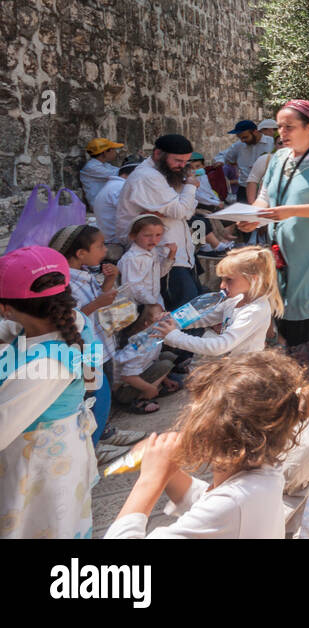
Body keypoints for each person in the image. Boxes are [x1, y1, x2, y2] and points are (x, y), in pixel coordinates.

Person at [104, 351, 309, 539]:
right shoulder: (265, 469)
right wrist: (169, 471)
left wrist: (149, 481)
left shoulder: (234, 503)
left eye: (195, 411)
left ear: (215, 431)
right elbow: (205, 502)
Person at [237, 100, 309, 385]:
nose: (281, 133)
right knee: (283, 310)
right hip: (279, 249)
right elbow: (265, 197)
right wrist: (253, 216)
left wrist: (291, 211)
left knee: (302, 314)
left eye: (289, 127)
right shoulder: (277, 159)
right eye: (279, 127)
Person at [0, 247, 99, 538]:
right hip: (66, 447)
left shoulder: (46, 364)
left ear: (5, 306)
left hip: (37, 462)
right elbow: (93, 380)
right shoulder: (75, 321)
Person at [49, 223, 132, 461]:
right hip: (84, 350)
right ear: (80, 253)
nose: (105, 250)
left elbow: (98, 300)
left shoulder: (83, 273)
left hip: (99, 345)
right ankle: (91, 448)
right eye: (100, 246)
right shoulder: (63, 283)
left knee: (101, 395)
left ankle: (104, 433)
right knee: (92, 398)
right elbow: (70, 318)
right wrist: (98, 302)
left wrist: (110, 280)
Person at [119, 134, 201, 310]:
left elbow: (186, 211)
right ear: (158, 154)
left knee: (190, 312)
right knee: (184, 315)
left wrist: (181, 204)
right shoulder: (147, 176)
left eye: (185, 162)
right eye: (178, 161)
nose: (182, 166)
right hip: (161, 256)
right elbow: (181, 210)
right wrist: (191, 186)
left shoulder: (167, 174)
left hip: (176, 256)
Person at [159, 247, 280, 359]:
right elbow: (204, 317)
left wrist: (174, 337)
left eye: (229, 280)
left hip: (243, 372)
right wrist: (174, 321)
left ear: (254, 279)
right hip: (231, 368)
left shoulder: (255, 310)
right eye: (222, 279)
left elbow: (219, 346)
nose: (222, 285)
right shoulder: (235, 300)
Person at [113, 305, 181, 414]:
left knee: (167, 356)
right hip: (123, 390)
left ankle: (155, 388)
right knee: (166, 364)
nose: (166, 316)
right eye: (160, 317)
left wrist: (165, 380)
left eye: (164, 313)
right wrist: (149, 388)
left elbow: (153, 360)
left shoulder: (154, 336)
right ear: (147, 324)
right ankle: (141, 399)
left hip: (136, 376)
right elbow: (127, 376)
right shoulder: (139, 345)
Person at [216, 120, 274, 201]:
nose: (242, 140)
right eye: (240, 138)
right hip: (244, 190)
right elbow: (222, 155)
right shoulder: (239, 145)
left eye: (245, 137)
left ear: (255, 132)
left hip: (266, 190)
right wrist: (220, 161)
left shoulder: (272, 143)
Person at [93, 161, 139, 261]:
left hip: (109, 238)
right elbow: (133, 214)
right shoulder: (120, 187)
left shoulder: (112, 185)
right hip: (116, 243)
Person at [79, 138, 124, 206]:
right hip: (99, 204)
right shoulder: (92, 167)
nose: (115, 152)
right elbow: (121, 173)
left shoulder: (104, 164)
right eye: (113, 150)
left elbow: (120, 170)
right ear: (105, 152)